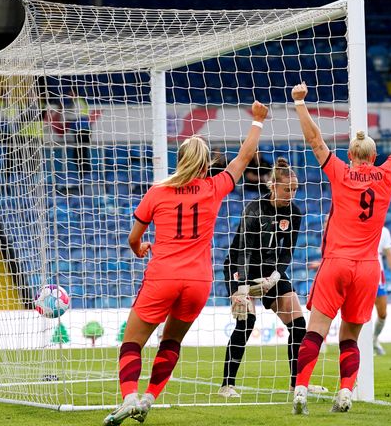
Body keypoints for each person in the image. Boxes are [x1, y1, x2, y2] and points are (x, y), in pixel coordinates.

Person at [102, 101, 269, 426]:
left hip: (163, 276)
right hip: (197, 282)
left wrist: (140, 248)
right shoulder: (213, 187)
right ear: (206, 164)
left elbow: (133, 238)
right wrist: (258, 122)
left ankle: (129, 397)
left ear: (180, 160)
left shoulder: (157, 192)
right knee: (172, 341)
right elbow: (243, 159)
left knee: (132, 343)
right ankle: (150, 397)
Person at [290, 82, 391, 415]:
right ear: (375, 156)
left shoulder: (340, 172)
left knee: (316, 331)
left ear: (350, 155)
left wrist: (299, 103)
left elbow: (315, 141)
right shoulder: (387, 173)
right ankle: (347, 391)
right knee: (350, 336)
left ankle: (301, 390)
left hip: (336, 262)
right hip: (368, 268)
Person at [219, 157, 327, 397]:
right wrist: (241, 286)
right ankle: (227, 384)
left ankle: (297, 383)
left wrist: (276, 276)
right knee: (246, 322)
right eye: (287, 188)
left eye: (295, 189)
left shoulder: (295, 214)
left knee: (298, 324)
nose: (292, 193)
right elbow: (243, 250)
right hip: (241, 266)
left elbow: (286, 250)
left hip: (270, 270)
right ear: (273, 186)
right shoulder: (254, 209)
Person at [373, 226, 391, 356]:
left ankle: (374, 339)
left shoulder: (383, 230)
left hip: (378, 273)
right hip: (359, 269)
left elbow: (389, 254)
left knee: (382, 313)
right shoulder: (356, 223)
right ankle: (360, 343)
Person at [64, 89, 91, 173]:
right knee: (80, 154)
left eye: (70, 93)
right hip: (80, 130)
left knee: (80, 154)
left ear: (74, 92)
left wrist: (65, 114)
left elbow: (74, 115)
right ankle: (83, 173)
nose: (69, 95)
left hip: (83, 130)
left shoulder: (78, 102)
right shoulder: (76, 102)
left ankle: (85, 173)